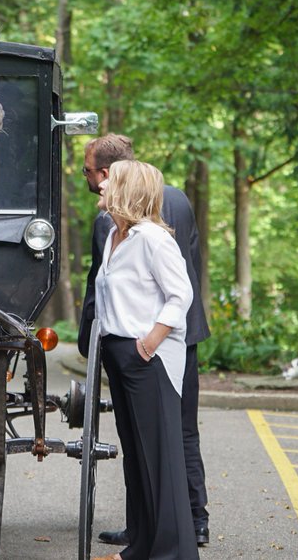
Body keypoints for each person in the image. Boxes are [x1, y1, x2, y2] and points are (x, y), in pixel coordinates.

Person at [79, 134, 213, 549]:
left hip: (153, 347)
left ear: (118, 182)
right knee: (140, 450)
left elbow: (181, 289)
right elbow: (102, 289)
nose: (98, 185)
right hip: (128, 347)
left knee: (168, 447)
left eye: (99, 177)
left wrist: (152, 340)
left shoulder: (152, 235)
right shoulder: (119, 234)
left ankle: (179, 539)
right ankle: (143, 539)